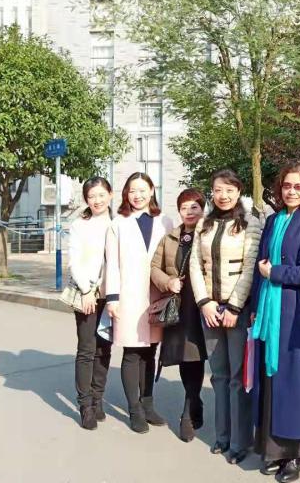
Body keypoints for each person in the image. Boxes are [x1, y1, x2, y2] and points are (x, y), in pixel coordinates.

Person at [251, 163, 300, 483]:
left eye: (298, 186)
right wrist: (255, 306)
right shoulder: (273, 220)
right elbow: (260, 265)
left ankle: (295, 454)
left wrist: (275, 273)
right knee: (271, 383)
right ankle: (274, 450)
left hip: (294, 315)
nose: (291, 191)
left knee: (294, 385)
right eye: (286, 186)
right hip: (269, 312)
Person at [189, 169, 262, 465]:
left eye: (229, 190)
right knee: (218, 375)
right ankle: (222, 436)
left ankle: (240, 441)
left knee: (237, 377)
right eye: (218, 189)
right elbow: (195, 264)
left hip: (236, 312)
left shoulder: (250, 223)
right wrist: (204, 302)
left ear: (238, 192)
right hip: (209, 309)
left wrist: (234, 307)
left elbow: (250, 266)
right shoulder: (204, 223)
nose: (223, 195)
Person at [106, 172, 172, 434]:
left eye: (142, 190)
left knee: (150, 351)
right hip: (129, 296)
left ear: (152, 190)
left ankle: (148, 404)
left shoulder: (164, 221)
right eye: (132, 190)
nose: (138, 195)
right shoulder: (118, 223)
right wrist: (112, 298)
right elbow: (112, 264)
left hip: (157, 296)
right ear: (126, 194)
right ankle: (134, 410)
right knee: (132, 352)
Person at [151, 188, 208, 442]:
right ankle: (194, 401)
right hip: (179, 305)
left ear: (203, 209)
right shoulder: (171, 238)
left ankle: (187, 412)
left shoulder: (208, 234)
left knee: (196, 356)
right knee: (184, 358)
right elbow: (155, 267)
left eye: (194, 207)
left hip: (201, 305)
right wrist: (168, 281)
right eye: (184, 207)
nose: (189, 212)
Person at [68, 176, 113, 430]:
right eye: (91, 196)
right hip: (87, 294)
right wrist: (86, 290)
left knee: (104, 348)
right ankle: (85, 405)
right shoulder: (80, 225)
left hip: (112, 295)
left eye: (101, 195)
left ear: (110, 195)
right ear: (86, 199)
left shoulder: (119, 222)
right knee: (86, 349)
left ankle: (98, 398)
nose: (97, 200)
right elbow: (74, 261)